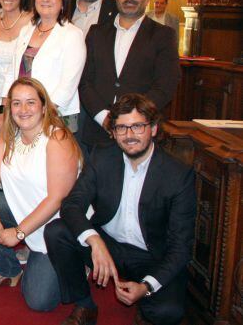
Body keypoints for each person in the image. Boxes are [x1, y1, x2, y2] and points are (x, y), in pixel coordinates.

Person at [45, 93, 195, 325]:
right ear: (113, 133)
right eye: (122, 128)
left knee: (167, 312)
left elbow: (181, 248)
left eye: (137, 126)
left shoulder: (177, 175)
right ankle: (84, 304)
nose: (129, 135)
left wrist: (146, 287)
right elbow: (72, 204)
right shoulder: (102, 157)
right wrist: (94, 241)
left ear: (153, 129)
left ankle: (145, 304)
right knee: (57, 231)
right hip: (108, 245)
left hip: (152, 255)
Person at [0, 77, 81, 311]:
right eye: (16, 103)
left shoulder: (57, 139)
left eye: (30, 102)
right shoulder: (9, 137)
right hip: (23, 214)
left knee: (39, 301)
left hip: (55, 227)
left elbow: (57, 199)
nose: (23, 110)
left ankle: (76, 259)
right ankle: (9, 266)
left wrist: (18, 233)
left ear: (44, 106)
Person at [78, 0, 180, 154]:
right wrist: (104, 118)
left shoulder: (163, 35)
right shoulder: (96, 33)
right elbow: (85, 81)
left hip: (141, 132)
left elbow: (165, 85)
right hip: (98, 132)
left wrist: (131, 119)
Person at [0, 0, 86, 133]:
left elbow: (68, 84)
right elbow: (11, 73)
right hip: (23, 114)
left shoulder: (72, 34)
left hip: (55, 116)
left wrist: (41, 115)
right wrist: (4, 109)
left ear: (63, 1)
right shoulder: (26, 30)